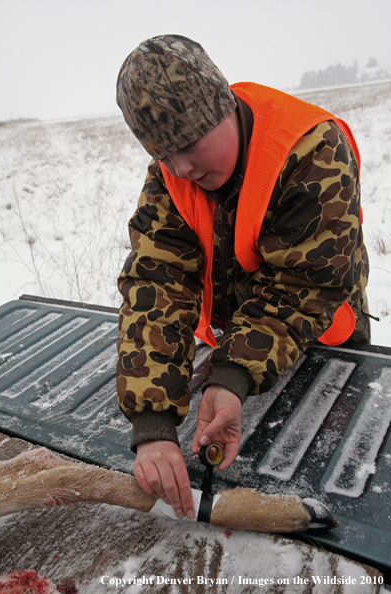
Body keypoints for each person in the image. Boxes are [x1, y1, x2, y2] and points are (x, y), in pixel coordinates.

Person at [115, 34, 370, 521]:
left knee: (336, 498)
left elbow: (302, 290)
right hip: (238, 348)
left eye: (188, 144)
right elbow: (157, 287)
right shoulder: (173, 176)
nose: (181, 167)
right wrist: (152, 424)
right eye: (164, 154)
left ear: (223, 106)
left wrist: (231, 376)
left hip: (328, 347)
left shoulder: (312, 150)